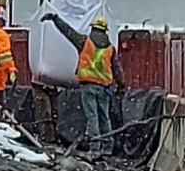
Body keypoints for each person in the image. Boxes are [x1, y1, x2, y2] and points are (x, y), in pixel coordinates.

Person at [40, 13, 126, 156]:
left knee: (92, 117)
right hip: (104, 88)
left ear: (93, 28)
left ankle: (95, 148)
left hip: (88, 87)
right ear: (105, 31)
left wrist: (55, 19)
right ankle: (107, 147)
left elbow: (68, 32)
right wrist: (122, 85)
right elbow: (117, 69)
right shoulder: (110, 48)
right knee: (104, 117)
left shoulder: (84, 42)